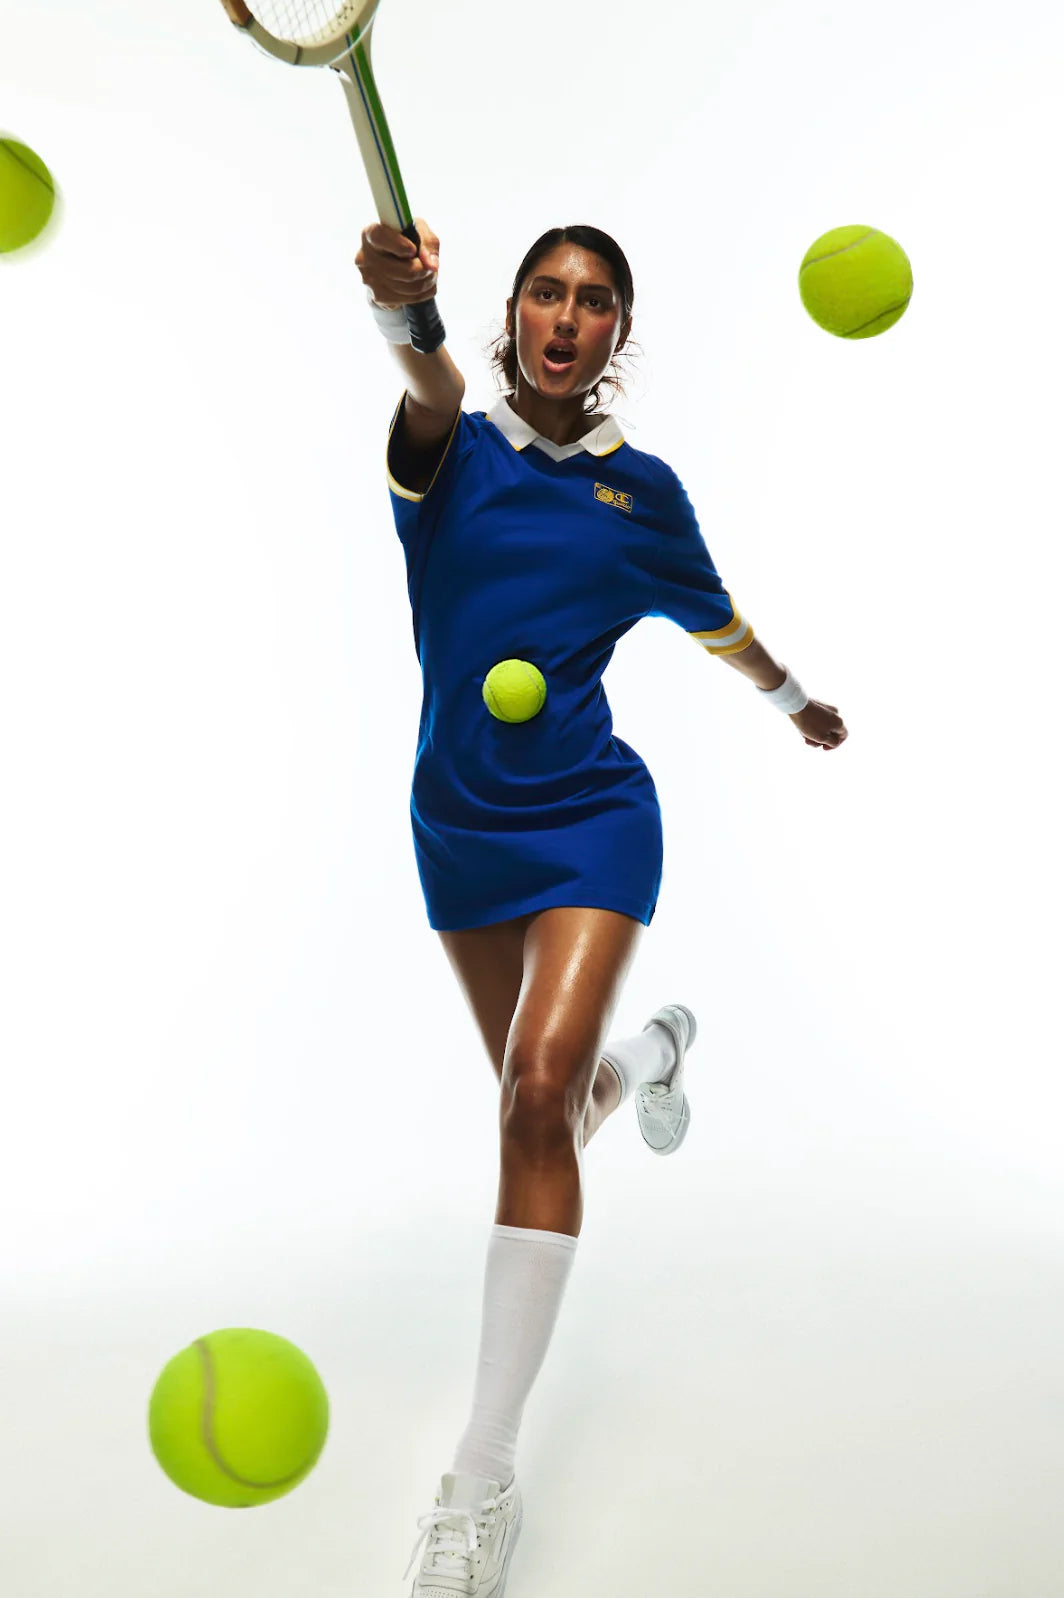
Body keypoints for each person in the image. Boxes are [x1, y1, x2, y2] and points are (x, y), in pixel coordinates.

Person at [355, 216, 848, 1595]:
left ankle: (480, 1476)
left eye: (592, 301)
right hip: (458, 832)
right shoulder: (451, 453)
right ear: (514, 312)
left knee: (530, 1103)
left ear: (617, 332)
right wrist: (402, 307)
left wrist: (798, 702)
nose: (566, 318)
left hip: (590, 823)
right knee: (552, 1115)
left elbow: (716, 619)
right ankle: (659, 1053)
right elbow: (426, 379)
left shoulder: (644, 496)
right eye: (546, 293)